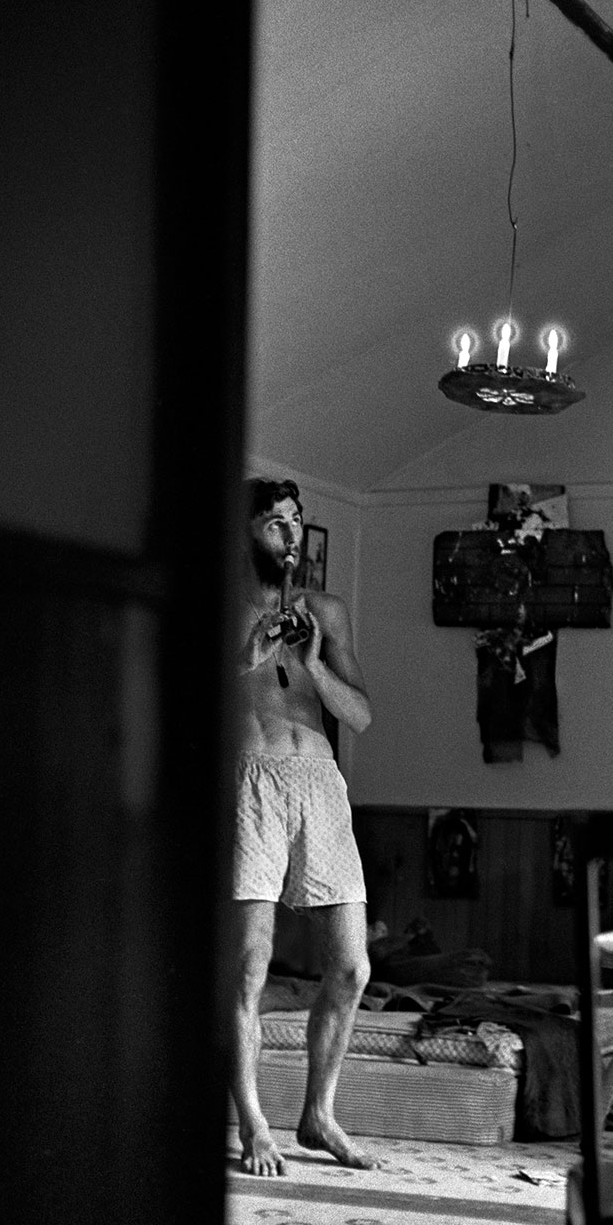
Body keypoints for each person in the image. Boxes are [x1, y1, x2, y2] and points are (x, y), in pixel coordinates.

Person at [228, 477, 375, 1175]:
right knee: (248, 967)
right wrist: (248, 658)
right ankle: (253, 1123)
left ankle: (319, 1115)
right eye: (274, 524)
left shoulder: (327, 610)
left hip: (319, 784)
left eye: (297, 521)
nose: (289, 537)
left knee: (351, 965)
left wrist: (313, 663)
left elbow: (361, 717)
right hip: (246, 780)